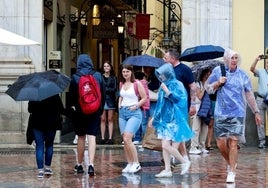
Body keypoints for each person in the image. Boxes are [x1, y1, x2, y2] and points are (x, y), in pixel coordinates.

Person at [204, 49, 261, 183]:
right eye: (232, 58)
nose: (234, 60)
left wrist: (256, 111)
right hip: (221, 112)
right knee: (221, 143)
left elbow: (249, 94)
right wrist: (218, 82)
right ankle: (231, 163)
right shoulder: (218, 71)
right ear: (226, 59)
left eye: (236, 58)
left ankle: (232, 172)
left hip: (237, 112)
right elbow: (208, 88)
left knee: (233, 142)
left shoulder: (242, 75)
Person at [148, 63, 194, 177]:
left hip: (174, 120)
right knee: (164, 145)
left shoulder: (177, 84)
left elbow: (180, 100)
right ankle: (167, 170)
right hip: (164, 120)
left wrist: (167, 91)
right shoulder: (164, 85)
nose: (161, 77)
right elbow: (160, 104)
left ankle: (184, 162)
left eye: (162, 75)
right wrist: (155, 118)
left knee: (165, 145)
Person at [69, 54, 105, 176]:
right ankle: (91, 165)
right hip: (94, 110)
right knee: (92, 137)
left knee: (80, 137)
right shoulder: (98, 76)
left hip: (80, 112)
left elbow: (71, 97)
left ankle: (79, 165)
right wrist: (99, 110)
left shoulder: (75, 77)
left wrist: (73, 110)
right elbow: (103, 95)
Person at [163, 48, 197, 163]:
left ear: (173, 59)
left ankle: (173, 156)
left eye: (166, 58)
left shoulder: (185, 69)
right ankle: (184, 157)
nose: (164, 60)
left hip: (181, 105)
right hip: (169, 105)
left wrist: (192, 104)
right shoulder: (167, 70)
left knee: (177, 130)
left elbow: (192, 87)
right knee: (178, 131)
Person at [28, 94, 66, 178]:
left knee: (39, 146)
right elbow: (61, 109)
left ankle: (40, 170)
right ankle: (47, 168)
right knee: (49, 145)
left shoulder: (34, 95)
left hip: (37, 123)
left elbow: (30, 109)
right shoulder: (54, 94)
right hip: (51, 123)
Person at [118, 64, 147, 173]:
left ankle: (136, 163)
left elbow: (144, 98)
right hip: (122, 113)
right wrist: (119, 105)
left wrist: (137, 105)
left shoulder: (137, 83)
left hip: (134, 113)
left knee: (127, 138)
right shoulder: (121, 83)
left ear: (131, 72)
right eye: (123, 72)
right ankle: (129, 163)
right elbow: (121, 96)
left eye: (127, 71)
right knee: (125, 140)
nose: (125, 73)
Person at [189, 68, 211, 155]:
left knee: (204, 128)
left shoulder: (207, 85)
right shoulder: (197, 84)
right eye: (208, 74)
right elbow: (200, 96)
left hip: (205, 109)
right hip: (197, 108)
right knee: (196, 128)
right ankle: (193, 146)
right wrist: (205, 86)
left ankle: (202, 146)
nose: (209, 75)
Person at [250, 55, 268, 149]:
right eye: (267, 63)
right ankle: (262, 141)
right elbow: (252, 69)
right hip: (261, 99)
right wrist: (256, 60)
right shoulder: (261, 72)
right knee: (260, 121)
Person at [100, 61, 117, 145]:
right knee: (102, 119)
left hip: (110, 100)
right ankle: (102, 138)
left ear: (110, 67)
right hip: (102, 100)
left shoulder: (113, 77)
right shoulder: (100, 77)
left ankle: (110, 138)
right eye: (104, 66)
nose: (106, 67)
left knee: (110, 119)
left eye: (107, 66)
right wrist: (107, 89)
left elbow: (114, 89)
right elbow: (99, 88)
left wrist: (105, 89)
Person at [133, 71, 150, 145]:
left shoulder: (138, 84)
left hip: (140, 106)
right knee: (144, 123)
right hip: (144, 106)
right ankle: (144, 139)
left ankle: (138, 138)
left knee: (139, 123)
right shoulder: (145, 83)